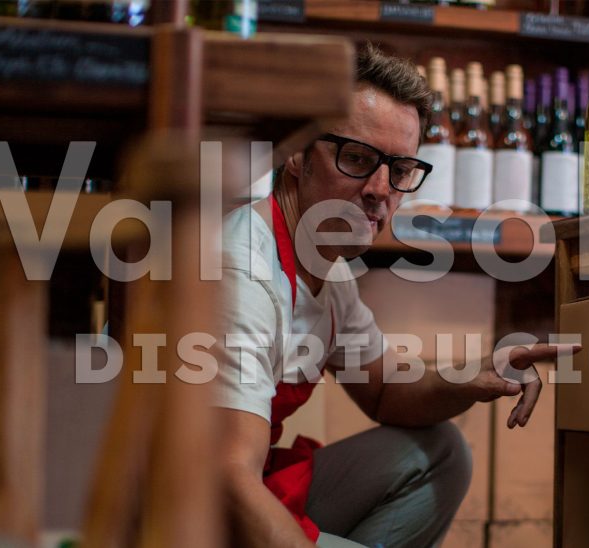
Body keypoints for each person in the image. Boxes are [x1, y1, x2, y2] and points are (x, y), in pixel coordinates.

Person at [214, 44, 565, 548]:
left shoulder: (328, 272)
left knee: (442, 450)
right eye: (357, 159)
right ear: (295, 153)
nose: (381, 189)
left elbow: (384, 390)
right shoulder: (243, 271)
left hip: (236, 489)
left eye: (399, 171)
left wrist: (476, 374)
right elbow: (227, 479)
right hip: (179, 513)